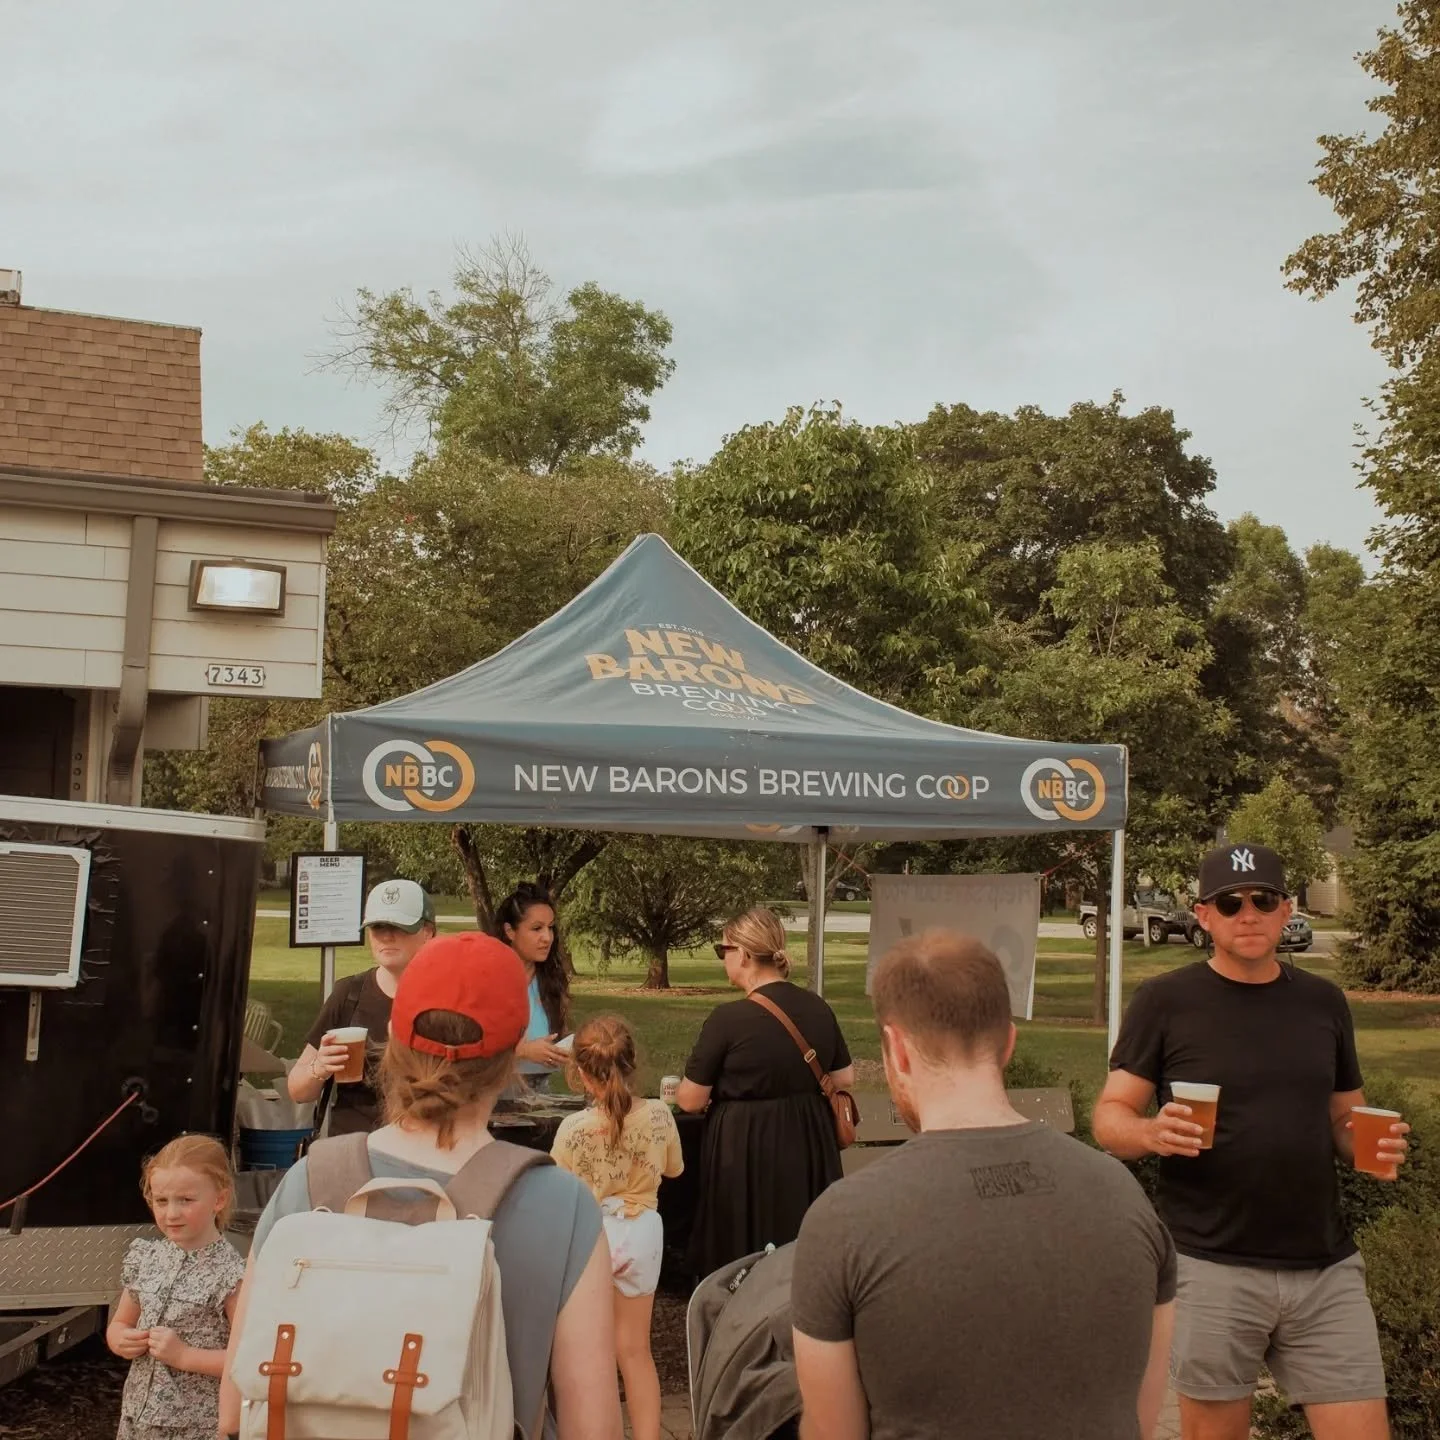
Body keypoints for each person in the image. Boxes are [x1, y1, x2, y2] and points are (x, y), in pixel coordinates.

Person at [219, 930, 623, 1440]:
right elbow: (595, 1427)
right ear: (510, 1056)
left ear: (392, 1032)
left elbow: (235, 1410)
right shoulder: (563, 1206)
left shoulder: (310, 1180)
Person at [791, 931, 1176, 1440]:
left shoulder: (842, 1222)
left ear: (896, 1049)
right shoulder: (1125, 1197)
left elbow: (830, 1432)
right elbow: (1140, 1423)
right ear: (1009, 1043)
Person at [1094, 843, 1411, 1440]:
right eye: (1230, 902)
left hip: (1326, 1266)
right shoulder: (1165, 1001)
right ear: (1204, 914)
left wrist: (1369, 1143)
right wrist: (1151, 1131)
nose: (1249, 913)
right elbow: (1111, 1117)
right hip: (1212, 1264)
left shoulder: (1324, 1001)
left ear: (1286, 908)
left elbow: (1346, 1114)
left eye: (1263, 900)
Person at [676, 906, 853, 1280]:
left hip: (745, 1147)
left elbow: (690, 1100)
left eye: (722, 950)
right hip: (808, 1141)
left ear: (742, 953)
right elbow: (845, 1077)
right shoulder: (817, 1007)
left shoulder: (728, 1019)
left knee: (745, 1248)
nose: (722, 959)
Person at [551, 1016, 684, 1440]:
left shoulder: (573, 1129)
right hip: (642, 1232)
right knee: (636, 1351)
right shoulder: (661, 1115)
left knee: (594, 1353)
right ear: (631, 1063)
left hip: (594, 1236)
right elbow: (674, 1169)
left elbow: (560, 1185)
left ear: (582, 1074)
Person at [106, 1135, 245, 1440]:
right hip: (137, 1418)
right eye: (161, 1200)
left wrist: (184, 1356)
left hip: (197, 1426)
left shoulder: (232, 1276)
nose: (171, 1213)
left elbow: (246, 1359)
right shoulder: (146, 1257)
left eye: (186, 1200)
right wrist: (120, 1340)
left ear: (218, 1200)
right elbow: (120, 1322)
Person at [286, 878, 436, 1136]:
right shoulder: (349, 994)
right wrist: (319, 1068)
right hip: (354, 1152)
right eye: (378, 927)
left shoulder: (446, 997)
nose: (387, 936)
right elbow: (298, 1091)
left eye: (400, 927)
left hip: (423, 1146)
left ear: (428, 932)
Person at [497, 881, 572, 1084]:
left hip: (541, 1095)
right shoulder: (489, 980)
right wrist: (524, 1051)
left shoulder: (551, 981)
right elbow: (467, 1050)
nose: (547, 937)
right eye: (537, 928)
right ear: (510, 931)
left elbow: (559, 1033)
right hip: (492, 1095)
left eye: (550, 928)